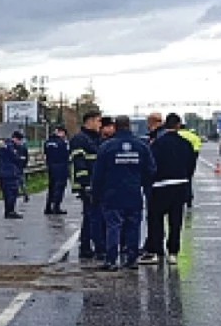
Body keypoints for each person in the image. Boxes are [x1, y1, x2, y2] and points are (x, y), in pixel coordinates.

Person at [91, 116, 155, 271]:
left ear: (115, 126)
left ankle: (111, 260)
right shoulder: (141, 146)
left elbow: (98, 173)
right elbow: (151, 170)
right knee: (133, 226)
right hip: (133, 192)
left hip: (112, 193)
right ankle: (132, 259)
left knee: (113, 226)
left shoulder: (106, 147)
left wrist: (95, 193)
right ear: (130, 126)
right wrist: (141, 183)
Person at [140, 114, 198, 264]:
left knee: (156, 219)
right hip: (180, 185)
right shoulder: (186, 144)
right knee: (175, 221)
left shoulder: (157, 144)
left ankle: (157, 251)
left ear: (165, 125)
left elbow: (150, 165)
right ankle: (173, 253)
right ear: (178, 125)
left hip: (160, 186)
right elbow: (191, 165)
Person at [70, 112, 106, 260]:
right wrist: (85, 184)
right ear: (89, 121)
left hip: (96, 183)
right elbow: (79, 163)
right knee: (93, 216)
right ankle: (93, 247)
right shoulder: (80, 139)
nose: (100, 124)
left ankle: (86, 247)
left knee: (90, 216)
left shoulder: (96, 138)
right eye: (98, 121)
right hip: (88, 184)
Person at [0, 130, 26, 219]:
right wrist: (20, 158)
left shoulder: (5, 146)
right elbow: (15, 157)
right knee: (11, 192)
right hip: (9, 173)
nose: (20, 143)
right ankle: (10, 211)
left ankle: (9, 211)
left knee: (9, 193)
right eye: (19, 140)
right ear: (15, 139)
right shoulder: (9, 147)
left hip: (5, 172)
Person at [43, 125, 71, 215]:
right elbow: (66, 154)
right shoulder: (62, 143)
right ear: (61, 132)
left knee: (51, 187)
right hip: (61, 167)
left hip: (51, 166)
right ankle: (56, 207)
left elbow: (45, 153)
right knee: (59, 187)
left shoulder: (47, 142)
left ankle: (48, 207)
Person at [176, 121, 202, 210]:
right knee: (189, 179)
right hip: (192, 158)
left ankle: (180, 199)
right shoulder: (193, 136)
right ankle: (189, 199)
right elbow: (198, 147)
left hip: (178, 159)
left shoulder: (177, 134)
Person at [14, 133, 31, 202]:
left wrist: (23, 164)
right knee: (19, 182)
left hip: (20, 167)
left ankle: (25, 194)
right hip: (15, 167)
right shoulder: (12, 147)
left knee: (21, 181)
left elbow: (26, 158)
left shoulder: (22, 148)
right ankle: (19, 193)